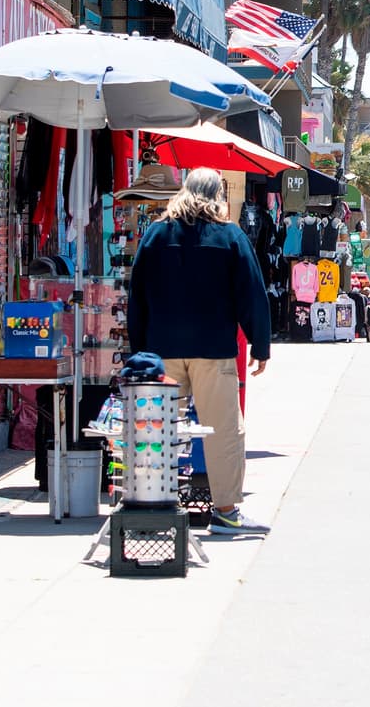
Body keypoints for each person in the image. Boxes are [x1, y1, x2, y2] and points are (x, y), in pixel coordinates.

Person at [128, 168, 273, 535]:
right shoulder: (230, 236)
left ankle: (153, 508)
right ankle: (225, 513)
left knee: (156, 430)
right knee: (223, 432)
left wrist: (139, 349)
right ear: (218, 195)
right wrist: (260, 344)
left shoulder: (156, 235)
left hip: (162, 350)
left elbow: (137, 298)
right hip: (213, 349)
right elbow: (251, 293)